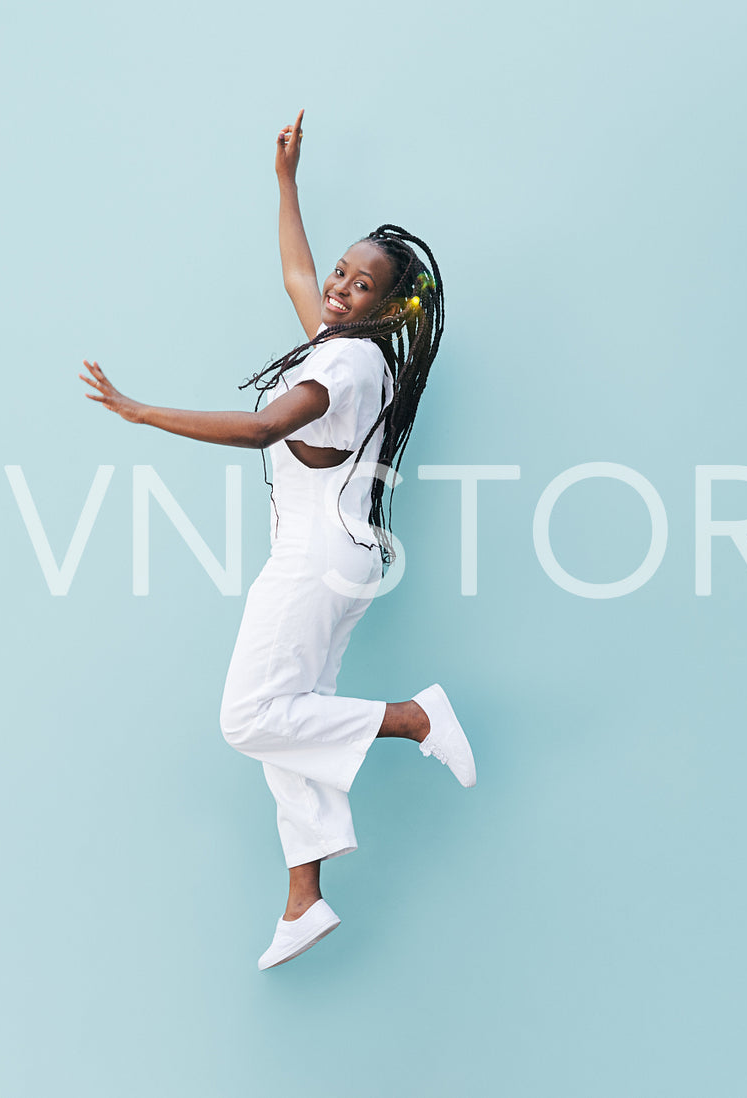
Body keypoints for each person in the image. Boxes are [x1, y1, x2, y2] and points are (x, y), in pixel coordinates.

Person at [79, 109, 476, 970]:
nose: (336, 287)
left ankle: (414, 718)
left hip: (315, 560)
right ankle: (304, 901)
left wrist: (141, 411)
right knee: (291, 724)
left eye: (359, 284)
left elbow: (266, 430)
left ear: (389, 304)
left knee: (252, 718)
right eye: (342, 271)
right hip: (341, 557)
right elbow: (297, 273)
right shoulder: (353, 348)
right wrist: (286, 182)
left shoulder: (340, 364)